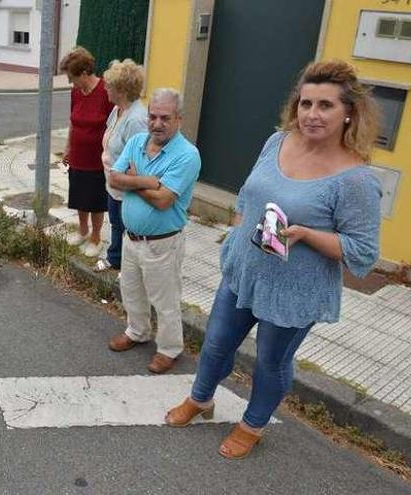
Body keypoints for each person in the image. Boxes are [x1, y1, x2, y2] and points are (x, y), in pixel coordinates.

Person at [165, 60, 382, 459]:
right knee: (214, 345)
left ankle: (253, 424)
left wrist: (308, 235)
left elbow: (363, 254)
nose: (312, 115)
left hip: (294, 290)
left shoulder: (357, 180)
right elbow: (249, 196)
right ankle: (201, 399)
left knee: (270, 363)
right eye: (306, 103)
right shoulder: (277, 141)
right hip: (244, 270)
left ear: (349, 112)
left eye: (326, 106)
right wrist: (238, 230)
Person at [106, 88, 201, 374]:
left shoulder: (187, 155)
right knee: (131, 290)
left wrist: (132, 179)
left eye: (165, 118)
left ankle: (169, 348)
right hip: (131, 238)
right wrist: (147, 180)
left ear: (179, 120)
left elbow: (163, 201)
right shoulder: (136, 141)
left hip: (162, 243)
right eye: (153, 116)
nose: (157, 123)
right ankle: (137, 331)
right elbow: (113, 179)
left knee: (165, 300)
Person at [94, 58, 148, 273]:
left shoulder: (136, 119)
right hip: (114, 183)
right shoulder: (117, 110)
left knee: (129, 229)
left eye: (109, 85)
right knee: (117, 223)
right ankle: (115, 258)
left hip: (127, 187)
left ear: (122, 90)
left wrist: (125, 180)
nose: (105, 88)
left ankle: (129, 270)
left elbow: (139, 161)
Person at [59, 46, 114, 258]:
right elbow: (73, 122)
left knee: (95, 199)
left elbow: (113, 125)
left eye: (72, 77)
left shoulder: (105, 91)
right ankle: (82, 230)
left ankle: (96, 238)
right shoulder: (76, 92)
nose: (70, 83)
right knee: (78, 195)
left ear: (84, 72)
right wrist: (68, 148)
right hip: (78, 156)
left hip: (98, 158)